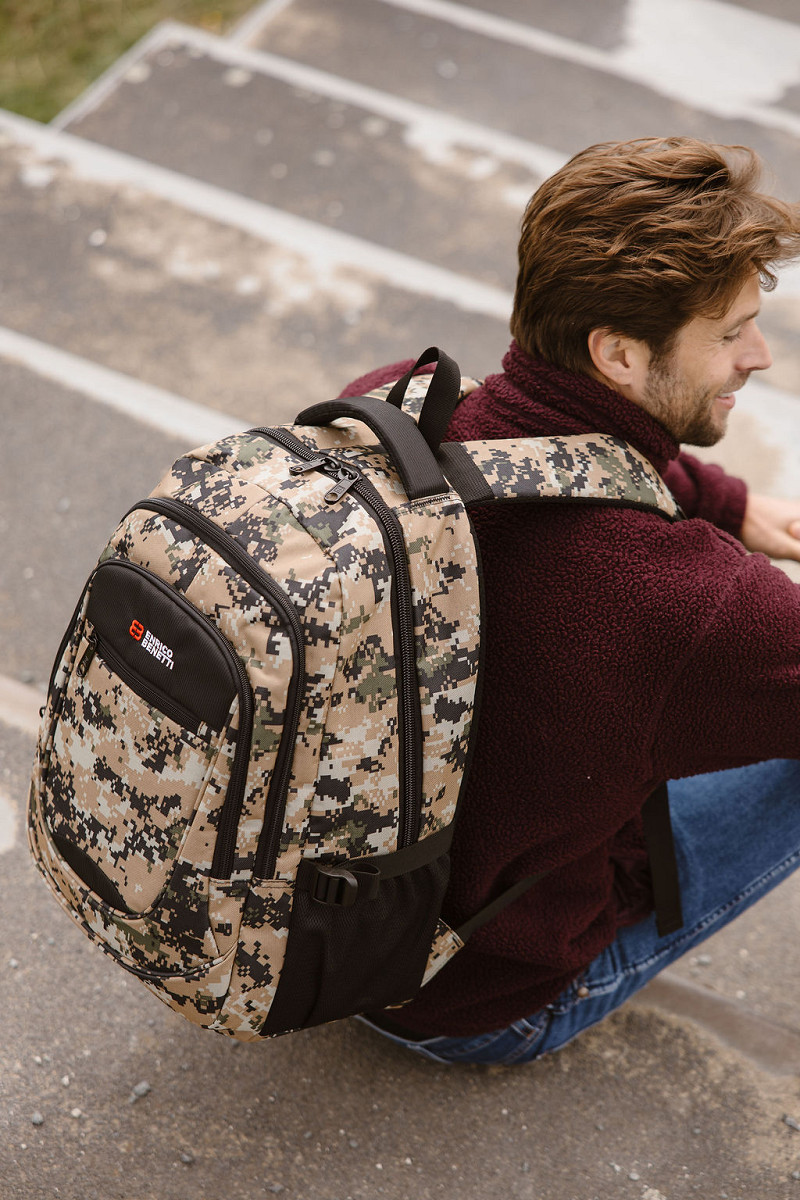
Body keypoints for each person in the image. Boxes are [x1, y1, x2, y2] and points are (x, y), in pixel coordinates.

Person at [339, 137, 800, 1065]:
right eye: (729, 333)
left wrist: (727, 502)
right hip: (479, 1003)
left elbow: (552, 446)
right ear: (620, 353)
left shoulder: (390, 408)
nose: (758, 356)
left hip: (319, 931)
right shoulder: (685, 603)